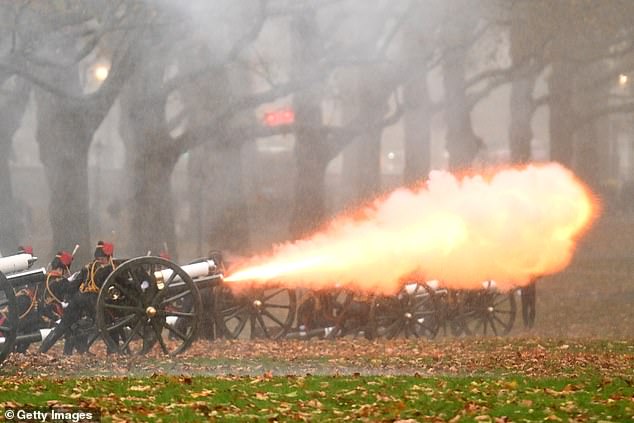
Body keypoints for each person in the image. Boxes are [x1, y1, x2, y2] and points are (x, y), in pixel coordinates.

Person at [39, 241, 115, 355]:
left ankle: (42, 351)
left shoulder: (86, 268)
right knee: (108, 323)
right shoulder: (108, 269)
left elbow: (74, 286)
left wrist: (75, 280)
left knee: (63, 326)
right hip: (92, 300)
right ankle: (113, 351)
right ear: (107, 257)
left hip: (78, 299)